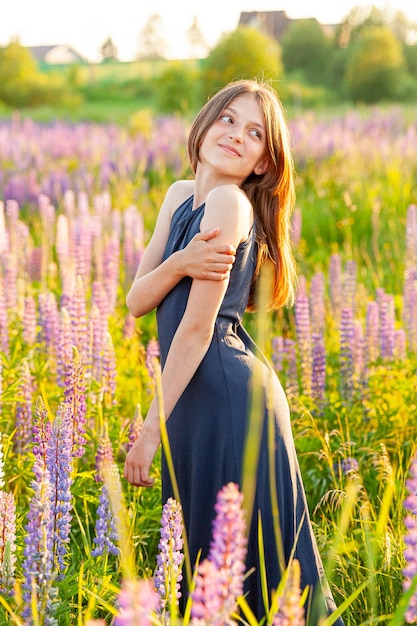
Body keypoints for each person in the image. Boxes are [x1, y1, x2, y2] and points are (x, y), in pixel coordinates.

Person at [124, 79, 343, 624]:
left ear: (265, 162)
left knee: (236, 565)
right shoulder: (180, 196)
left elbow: (195, 332)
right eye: (228, 118)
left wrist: (148, 434)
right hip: (193, 393)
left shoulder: (228, 202)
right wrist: (177, 263)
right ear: (205, 120)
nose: (235, 135)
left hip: (226, 397)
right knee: (210, 561)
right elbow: (135, 299)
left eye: (254, 133)